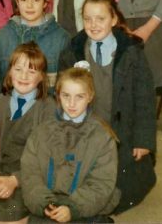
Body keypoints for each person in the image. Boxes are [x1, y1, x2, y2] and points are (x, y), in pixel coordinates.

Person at [59, 0, 156, 213]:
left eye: (100, 18)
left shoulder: (131, 52)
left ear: (113, 19)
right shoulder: (73, 50)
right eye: (87, 19)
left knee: (123, 191)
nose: (93, 25)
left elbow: (145, 98)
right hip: (88, 130)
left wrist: (143, 140)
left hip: (124, 131)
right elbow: (62, 95)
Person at [20, 67, 121, 222]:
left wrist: (73, 208)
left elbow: (101, 183)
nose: (71, 103)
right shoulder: (41, 132)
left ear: (90, 97)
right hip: (48, 206)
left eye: (79, 97)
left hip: (84, 208)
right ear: (58, 95)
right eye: (66, 95)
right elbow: (30, 175)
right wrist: (45, 204)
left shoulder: (102, 138)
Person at [0, 42, 55, 224]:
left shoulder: (48, 109)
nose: (24, 76)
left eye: (31, 71)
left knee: (9, 219)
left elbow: (46, 158)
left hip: (26, 180)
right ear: (10, 72)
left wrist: (13, 181)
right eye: (18, 69)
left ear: (42, 77)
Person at [0, 0, 69, 92]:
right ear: (17, 2)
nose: (29, 5)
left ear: (45, 3)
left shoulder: (61, 38)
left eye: (36, 0)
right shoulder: (2, 37)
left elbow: (66, 87)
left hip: (47, 108)